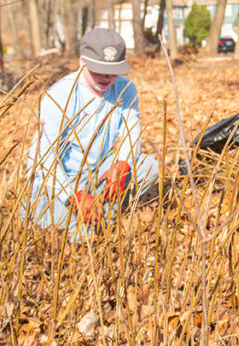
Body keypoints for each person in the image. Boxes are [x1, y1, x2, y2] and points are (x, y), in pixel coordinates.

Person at [24, 28, 159, 236]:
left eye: (113, 71)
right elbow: (45, 159)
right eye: (98, 69)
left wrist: (123, 162)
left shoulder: (126, 89)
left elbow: (132, 132)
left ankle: (102, 217)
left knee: (148, 166)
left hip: (93, 175)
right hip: (54, 185)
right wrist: (73, 194)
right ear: (81, 61)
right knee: (82, 238)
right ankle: (76, 220)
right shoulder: (59, 96)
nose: (106, 77)